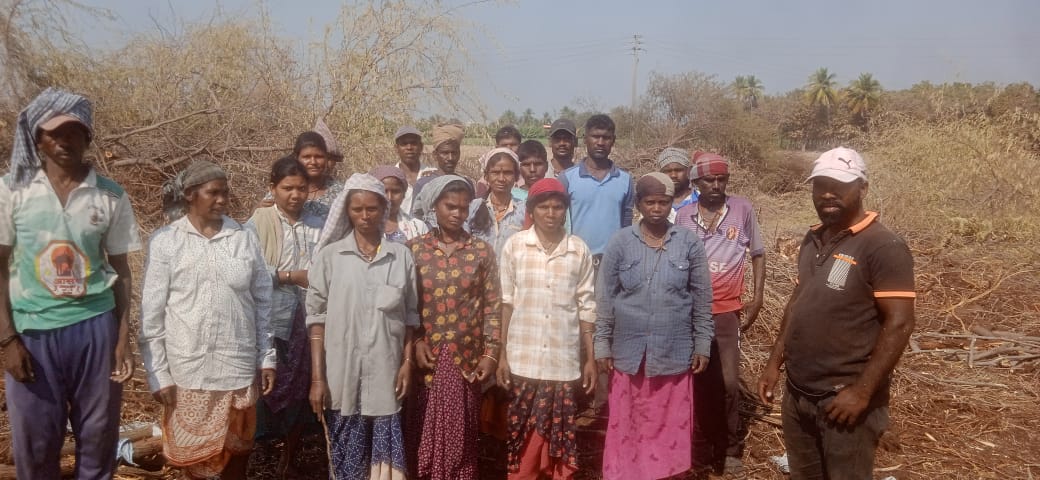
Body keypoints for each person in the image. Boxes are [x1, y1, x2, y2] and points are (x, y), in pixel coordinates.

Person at [0, 88, 141, 479]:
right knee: (35, 444)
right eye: (54, 133)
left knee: (98, 440)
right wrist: (7, 340)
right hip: (32, 330)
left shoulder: (109, 196)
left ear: (87, 138)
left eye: (74, 132)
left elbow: (122, 271)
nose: (64, 141)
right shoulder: (12, 191)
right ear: (38, 140)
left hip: (94, 328)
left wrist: (122, 340)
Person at [758, 147, 916, 480]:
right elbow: (798, 302)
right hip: (798, 393)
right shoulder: (813, 238)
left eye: (839, 185)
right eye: (821, 186)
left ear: (863, 188)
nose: (828, 194)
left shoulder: (883, 246)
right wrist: (774, 363)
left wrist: (861, 392)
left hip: (844, 399)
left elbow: (900, 322)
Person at [140, 160, 277, 479]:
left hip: (237, 369)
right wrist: (159, 374)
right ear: (190, 195)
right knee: (194, 467)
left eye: (225, 193)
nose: (222, 200)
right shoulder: (166, 241)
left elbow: (262, 302)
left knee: (236, 461)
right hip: (189, 371)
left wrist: (266, 357)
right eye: (213, 193)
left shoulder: (243, 238)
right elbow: (152, 314)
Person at [594, 172, 713, 480]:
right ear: (638, 204)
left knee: (668, 426)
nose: (657, 209)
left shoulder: (688, 243)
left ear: (672, 203)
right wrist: (602, 344)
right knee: (628, 424)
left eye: (663, 202)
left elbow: (702, 298)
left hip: (673, 353)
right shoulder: (620, 242)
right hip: (629, 354)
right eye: (650, 202)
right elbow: (605, 297)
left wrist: (702, 344)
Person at [307, 173, 419, 479]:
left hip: (386, 377)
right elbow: (315, 320)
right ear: (347, 211)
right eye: (357, 209)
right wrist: (317, 379)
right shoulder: (330, 258)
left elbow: (409, 317)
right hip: (341, 377)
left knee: (386, 466)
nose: (365, 216)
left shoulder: (401, 257)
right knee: (346, 462)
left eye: (372, 208)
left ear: (384, 209)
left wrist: (407, 363)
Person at [497, 178, 597, 479]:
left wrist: (590, 358)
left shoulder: (577, 250)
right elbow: (505, 303)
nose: (551, 213)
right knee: (521, 429)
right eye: (544, 207)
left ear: (565, 211)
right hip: (522, 358)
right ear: (531, 210)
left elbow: (587, 305)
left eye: (557, 207)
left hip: (562, 360)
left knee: (559, 432)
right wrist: (501, 354)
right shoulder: (515, 246)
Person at [405, 175, 502, 480]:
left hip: (466, 356)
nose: (458, 213)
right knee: (422, 430)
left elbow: (492, 306)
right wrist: (416, 341)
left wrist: (491, 354)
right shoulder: (414, 250)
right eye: (450, 206)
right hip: (427, 358)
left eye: (463, 207)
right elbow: (407, 305)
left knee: (462, 433)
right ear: (435, 206)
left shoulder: (481, 251)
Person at [674, 152, 765, 475]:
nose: (715, 185)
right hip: (691, 311)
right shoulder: (683, 216)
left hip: (727, 310)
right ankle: (702, 442)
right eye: (708, 180)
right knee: (697, 379)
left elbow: (758, 253)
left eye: (721, 179)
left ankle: (729, 448)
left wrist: (757, 297)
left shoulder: (742, 209)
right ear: (696, 182)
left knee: (728, 382)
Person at [247, 156, 323, 478]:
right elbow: (250, 269)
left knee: (300, 387)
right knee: (267, 386)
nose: (295, 195)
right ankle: (260, 454)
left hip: (309, 317)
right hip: (271, 317)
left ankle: (288, 458)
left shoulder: (318, 222)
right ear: (273, 188)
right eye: (287, 188)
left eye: (301, 188)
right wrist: (290, 276)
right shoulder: (259, 221)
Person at [558, 114, 634, 265]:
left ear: (613, 140)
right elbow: (560, 221)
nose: (600, 142)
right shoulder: (567, 178)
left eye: (606, 138)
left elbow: (626, 224)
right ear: (585, 139)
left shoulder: (625, 180)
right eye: (595, 136)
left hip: (612, 262)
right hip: (575, 259)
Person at [467, 147, 526, 254]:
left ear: (516, 176)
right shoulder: (473, 208)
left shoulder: (523, 210)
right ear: (486, 176)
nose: (501, 179)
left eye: (507, 173)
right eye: (495, 172)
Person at [411, 124, 466, 216]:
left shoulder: (465, 183)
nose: (450, 158)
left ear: (459, 154)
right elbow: (415, 217)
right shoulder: (424, 183)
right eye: (445, 153)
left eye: (454, 153)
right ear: (435, 155)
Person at [371, 165, 429, 243]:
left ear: (404, 194)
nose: (389, 198)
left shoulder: (418, 227)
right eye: (384, 191)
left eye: (395, 191)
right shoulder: (364, 226)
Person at [657, 147, 698, 222]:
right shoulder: (654, 203)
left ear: (689, 171)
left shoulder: (701, 198)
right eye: (667, 171)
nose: (673, 175)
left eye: (678, 170)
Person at [393, 125, 425, 213]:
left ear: (421, 147)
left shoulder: (431, 175)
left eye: (414, 143)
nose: (409, 147)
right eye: (404, 144)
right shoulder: (390, 178)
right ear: (396, 148)